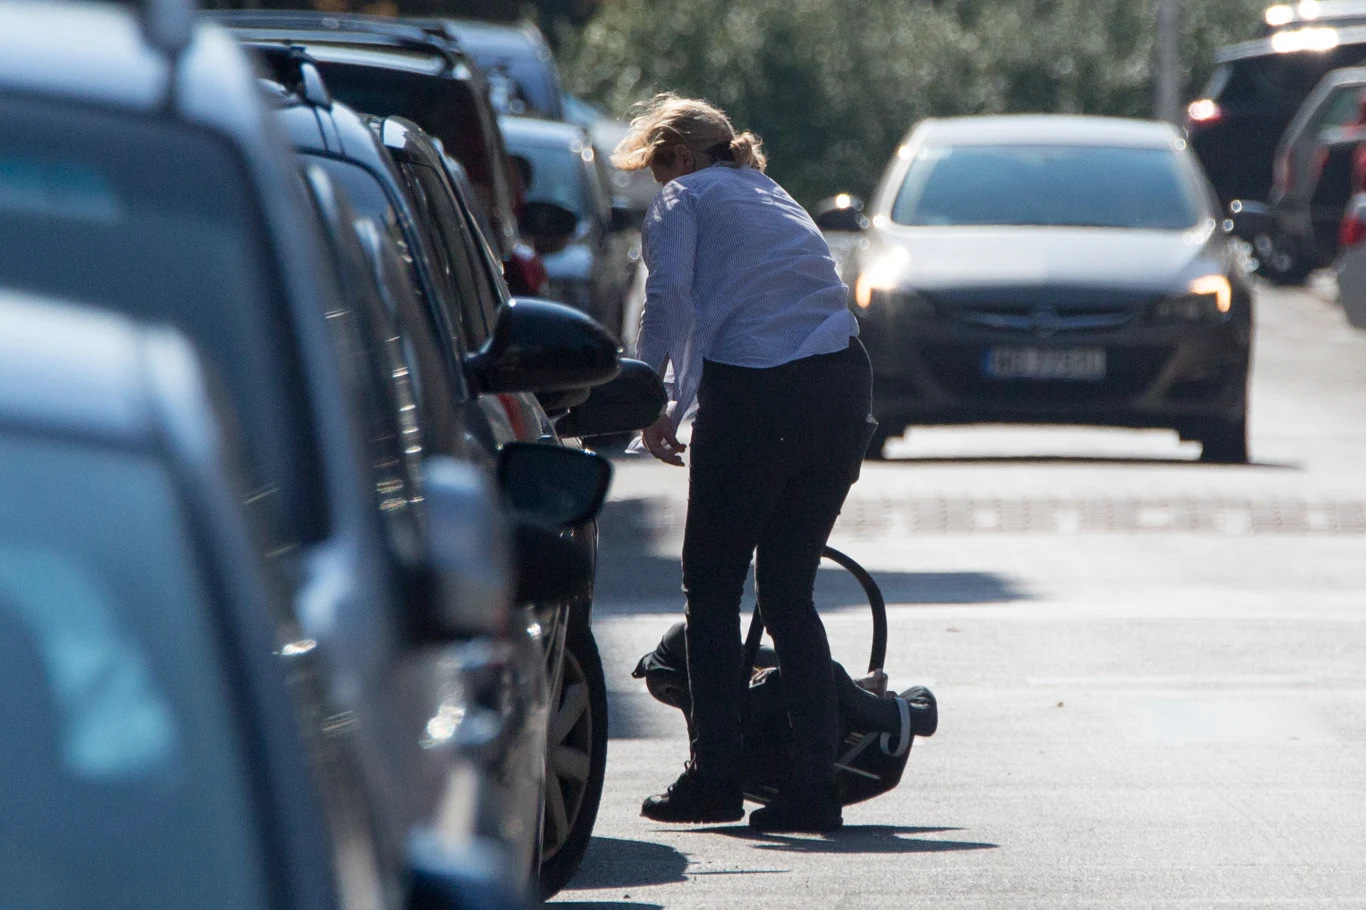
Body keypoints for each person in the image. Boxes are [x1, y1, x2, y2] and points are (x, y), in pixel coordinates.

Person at [612, 94, 875, 833]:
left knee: (713, 583)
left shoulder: (684, 199)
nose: (661, 186)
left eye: (661, 169)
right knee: (789, 590)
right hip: (842, 384)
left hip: (760, 389)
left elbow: (666, 298)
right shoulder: (773, 193)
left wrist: (646, 395)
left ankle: (716, 777)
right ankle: (815, 787)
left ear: (683, 158)